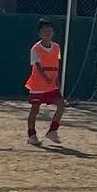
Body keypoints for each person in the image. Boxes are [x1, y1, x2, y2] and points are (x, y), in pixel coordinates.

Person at [25, 18, 67, 146]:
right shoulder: (35, 49)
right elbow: (37, 66)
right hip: (37, 85)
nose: (47, 33)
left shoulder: (57, 47)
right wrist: (46, 78)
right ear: (39, 33)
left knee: (61, 105)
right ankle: (32, 135)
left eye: (50, 31)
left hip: (51, 86)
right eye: (44, 31)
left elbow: (57, 64)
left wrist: (56, 81)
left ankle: (52, 131)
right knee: (35, 109)